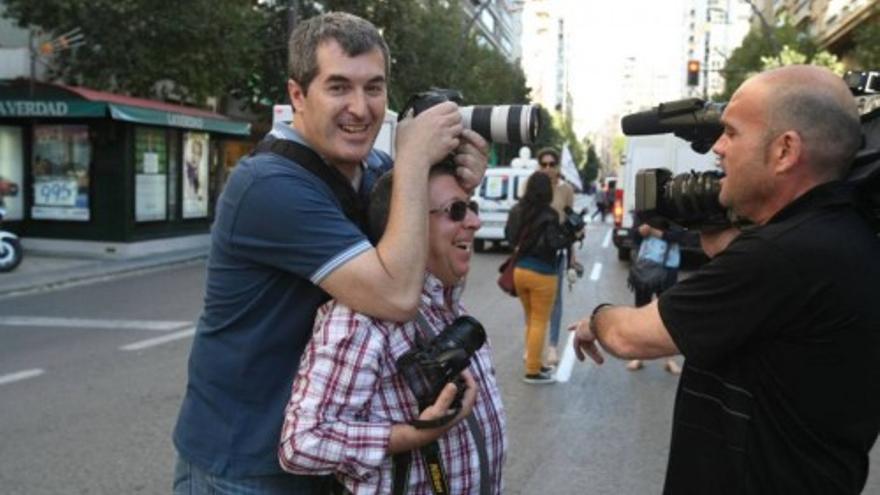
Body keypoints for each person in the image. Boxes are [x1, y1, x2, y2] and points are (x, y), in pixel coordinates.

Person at [172, 12, 488, 494]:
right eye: (338, 87)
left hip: (331, 456)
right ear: (298, 95)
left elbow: (436, 274)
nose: (360, 109)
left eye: (374, 88)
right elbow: (398, 297)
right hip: (243, 465)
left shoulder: (376, 168)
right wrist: (415, 163)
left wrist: (454, 190)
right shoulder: (268, 185)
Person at [569, 65, 880, 493]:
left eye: (732, 133)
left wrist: (595, 319)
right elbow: (751, 286)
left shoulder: (782, 255)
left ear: (785, 150)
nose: (717, 147)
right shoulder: (840, 235)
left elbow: (629, 337)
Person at [279, 162, 506, 494]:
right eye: (455, 211)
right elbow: (302, 442)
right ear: (407, 225)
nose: (474, 221)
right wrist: (413, 435)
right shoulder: (362, 318)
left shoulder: (448, 305)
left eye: (472, 207)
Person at [506, 172, 580, 384]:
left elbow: (508, 236)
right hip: (543, 273)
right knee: (539, 321)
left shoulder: (516, 210)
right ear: (547, 191)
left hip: (520, 271)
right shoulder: (549, 215)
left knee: (530, 320)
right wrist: (572, 234)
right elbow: (554, 243)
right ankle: (532, 371)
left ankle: (535, 362)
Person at [624, 223, 682, 374]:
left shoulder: (674, 213)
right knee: (641, 312)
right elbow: (633, 235)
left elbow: (680, 236)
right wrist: (640, 231)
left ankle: (669, 359)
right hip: (645, 265)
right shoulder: (645, 211)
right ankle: (639, 356)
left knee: (668, 315)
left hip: (669, 267)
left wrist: (653, 231)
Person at [536, 147, 576, 366]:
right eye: (544, 164)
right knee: (533, 302)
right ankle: (534, 345)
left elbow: (572, 224)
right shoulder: (531, 187)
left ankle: (552, 346)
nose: (548, 168)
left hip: (557, 253)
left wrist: (573, 255)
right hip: (534, 252)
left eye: (552, 164)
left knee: (555, 301)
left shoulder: (566, 190)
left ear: (558, 166)